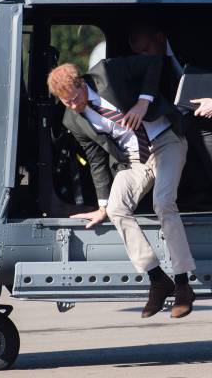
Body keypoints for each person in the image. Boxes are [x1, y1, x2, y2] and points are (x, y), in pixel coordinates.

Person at [47, 58, 196, 319]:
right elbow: (95, 159)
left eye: (74, 99)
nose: (72, 106)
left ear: (81, 84)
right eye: (65, 102)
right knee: (117, 209)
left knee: (163, 202)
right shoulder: (73, 120)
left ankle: (183, 284)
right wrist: (101, 205)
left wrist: (143, 101)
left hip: (165, 140)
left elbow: (153, 64)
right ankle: (158, 279)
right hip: (134, 160)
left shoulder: (106, 73)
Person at [128, 24, 212, 206]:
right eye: (140, 53)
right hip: (191, 111)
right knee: (179, 131)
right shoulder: (154, 63)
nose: (145, 57)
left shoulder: (193, 44)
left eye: (147, 49)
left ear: (161, 38)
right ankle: (208, 189)